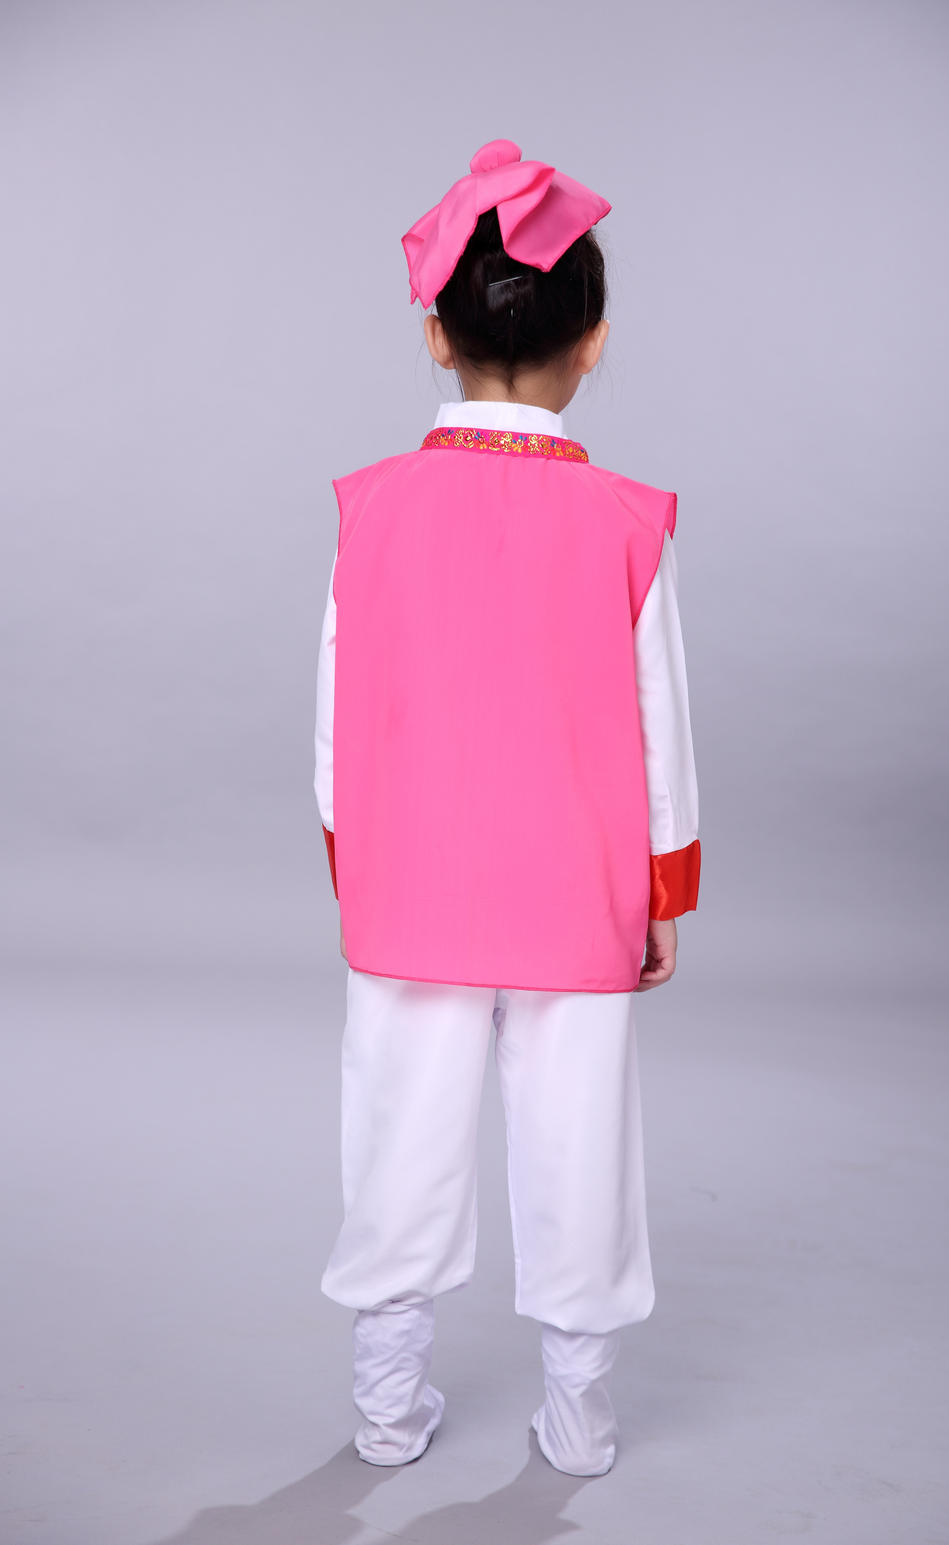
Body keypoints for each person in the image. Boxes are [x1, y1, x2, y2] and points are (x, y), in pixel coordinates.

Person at [312, 139, 700, 1478]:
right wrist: (661, 891)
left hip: (409, 882)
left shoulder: (370, 510)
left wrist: (357, 861)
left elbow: (335, 718)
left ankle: (385, 1407)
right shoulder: (626, 521)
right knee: (580, 1143)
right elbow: (659, 729)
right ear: (593, 344)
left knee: (397, 1138)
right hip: (578, 886)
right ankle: (580, 1416)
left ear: (436, 334)